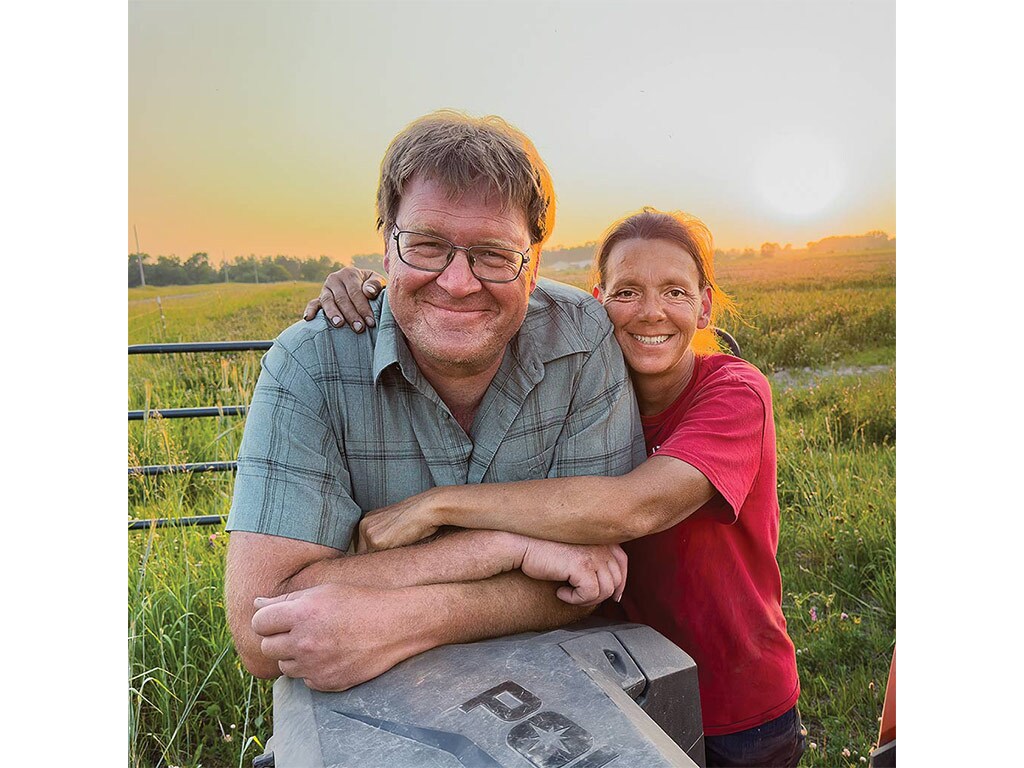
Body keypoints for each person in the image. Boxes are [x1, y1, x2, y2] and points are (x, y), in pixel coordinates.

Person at [308, 208, 806, 767]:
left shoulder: (735, 395)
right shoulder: (581, 396)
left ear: (705, 304)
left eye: (675, 291)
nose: (651, 311)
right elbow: (491, 288)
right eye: (626, 292)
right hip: (618, 683)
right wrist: (389, 289)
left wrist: (436, 505)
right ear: (597, 302)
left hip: (736, 701)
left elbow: (634, 507)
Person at [223, 110, 646, 694]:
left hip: (566, 698)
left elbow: (591, 574)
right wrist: (509, 548)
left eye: (494, 255)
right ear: (387, 248)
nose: (457, 282)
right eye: (426, 245)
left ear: (534, 264)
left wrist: (398, 618)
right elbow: (262, 627)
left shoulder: (582, 338)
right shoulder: (310, 364)